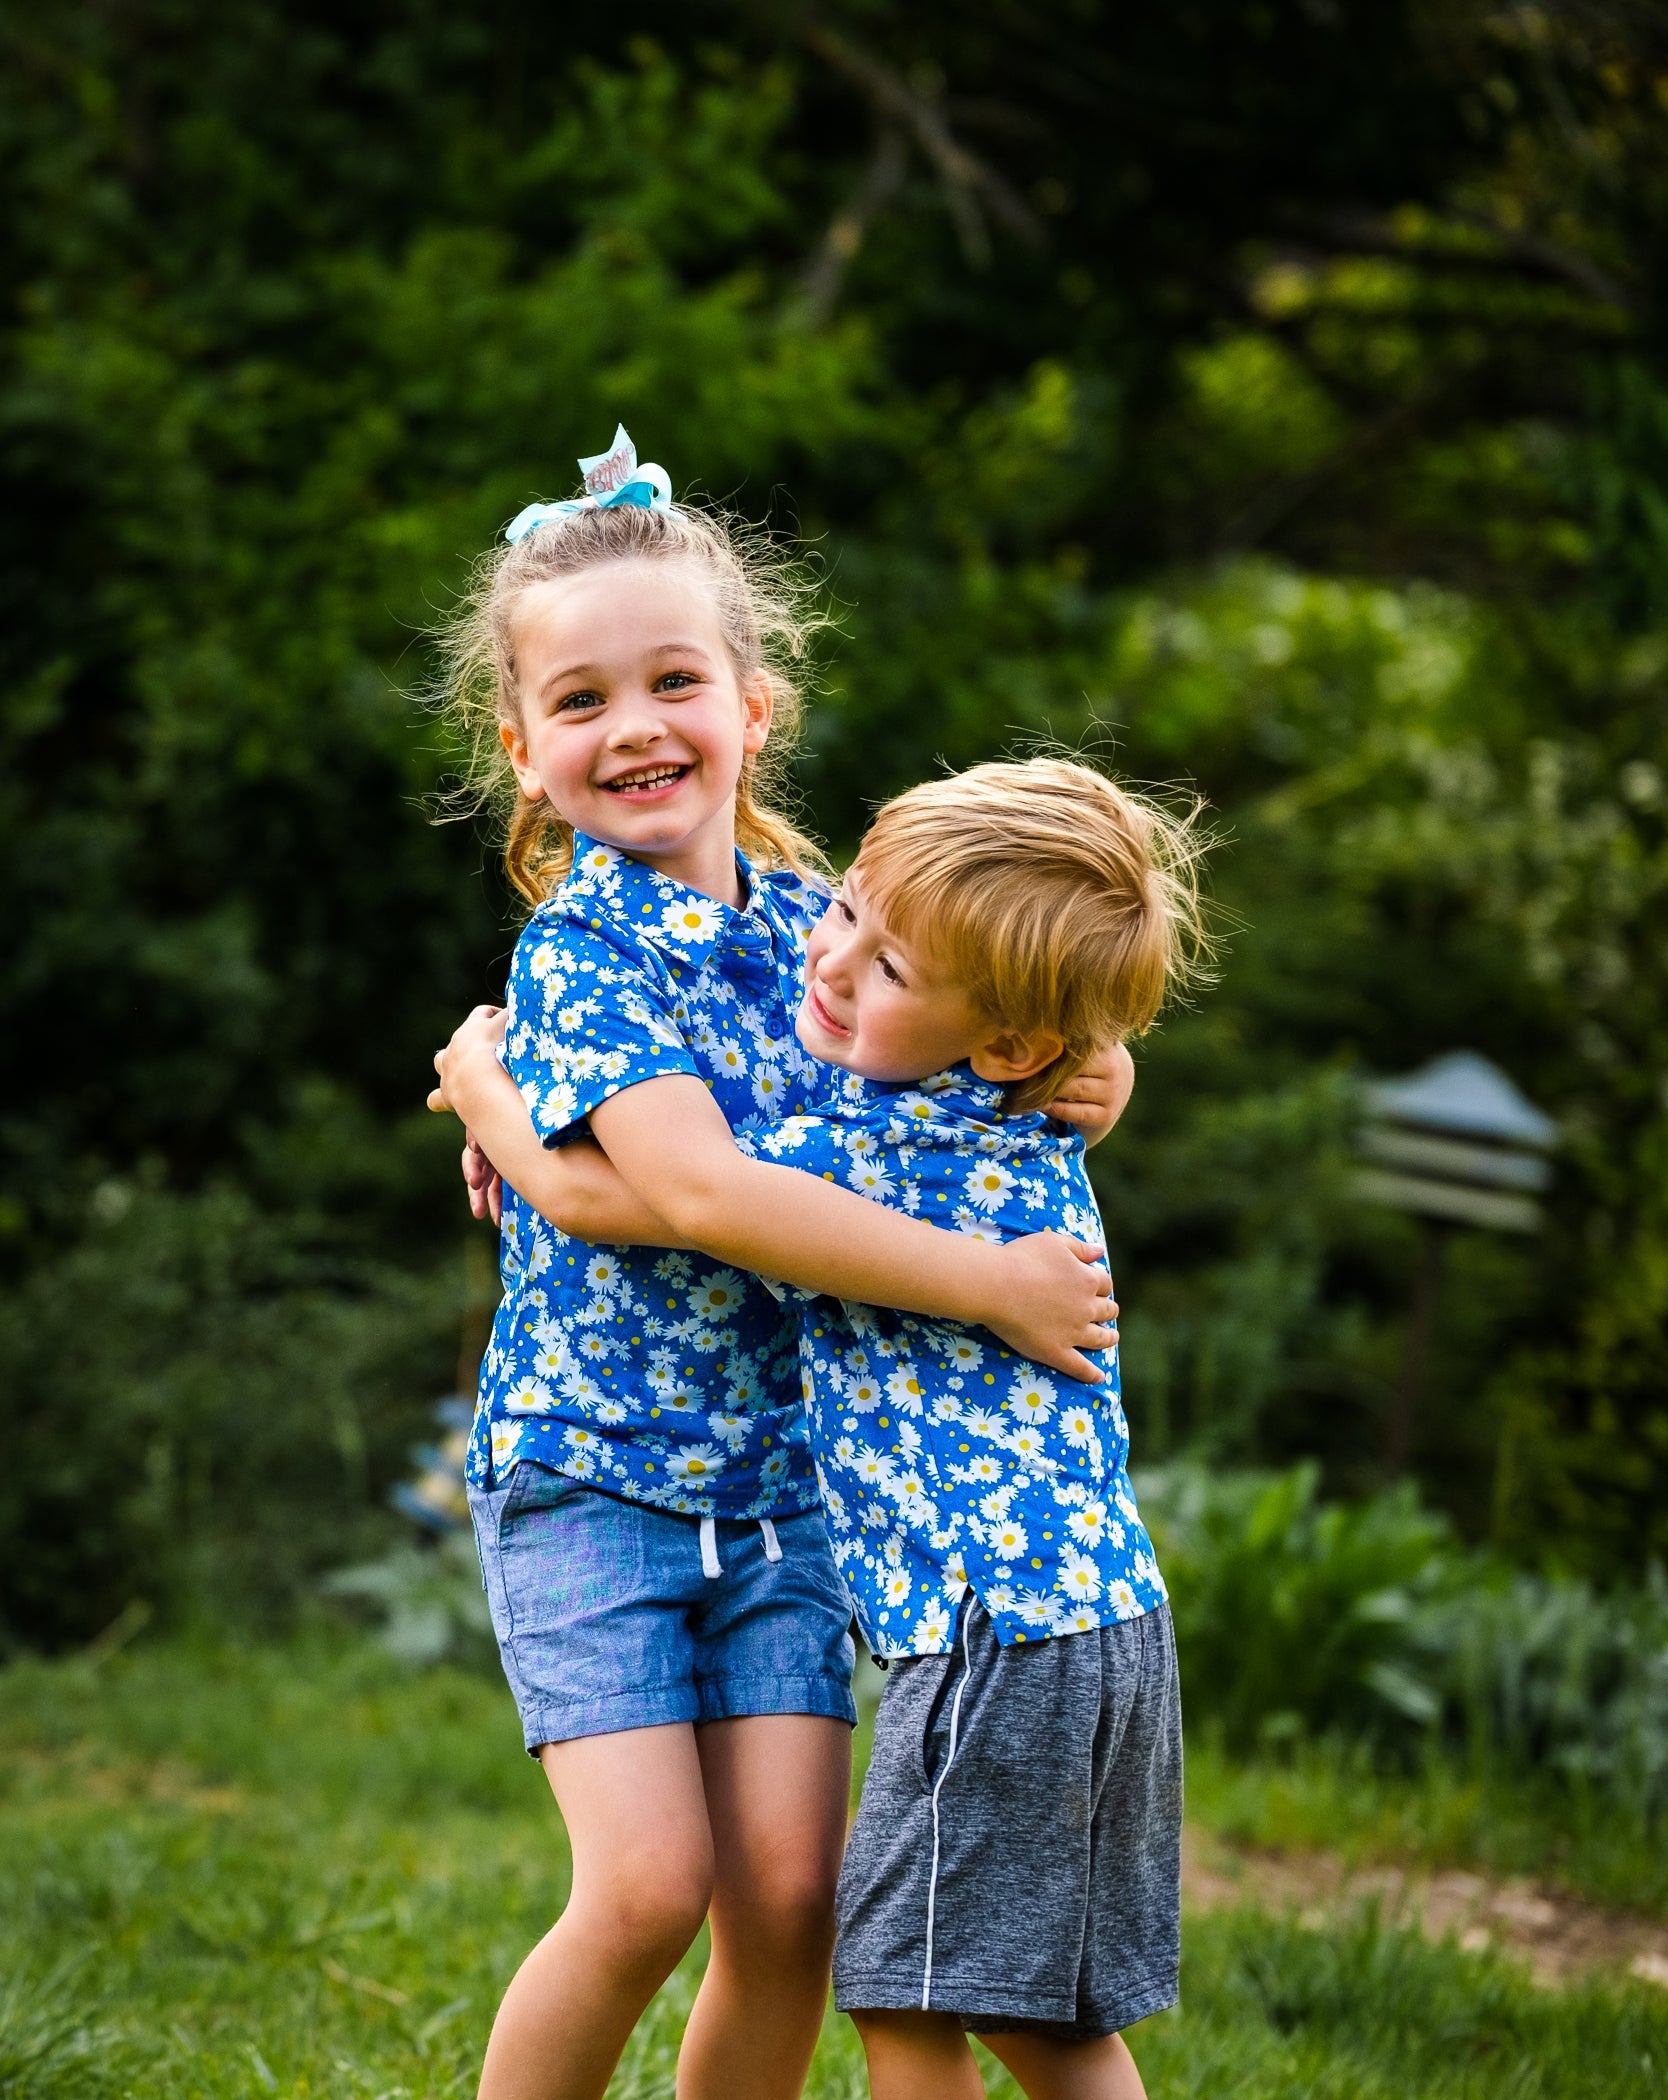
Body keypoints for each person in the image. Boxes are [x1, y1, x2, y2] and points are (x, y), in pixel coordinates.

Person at [426, 431, 1133, 2100]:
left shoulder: (833, 915)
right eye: (581, 703)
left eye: (673, 679)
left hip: (796, 1482)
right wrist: (987, 1286)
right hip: (594, 1476)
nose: (634, 726)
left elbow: (1006, 1015)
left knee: (795, 1905)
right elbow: (686, 1194)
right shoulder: (584, 944)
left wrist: (1096, 1072)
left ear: (756, 708)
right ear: (524, 754)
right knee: (649, 1888)